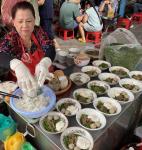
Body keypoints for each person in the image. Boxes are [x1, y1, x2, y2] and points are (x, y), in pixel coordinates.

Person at [0, 1, 55, 94]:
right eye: (20, 21)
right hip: (21, 87)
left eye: (29, 21)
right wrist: (17, 65)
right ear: (13, 22)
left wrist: (45, 62)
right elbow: (1, 55)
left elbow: (50, 47)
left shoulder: (38, 32)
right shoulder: (11, 37)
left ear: (34, 20)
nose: (25, 26)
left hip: (41, 82)